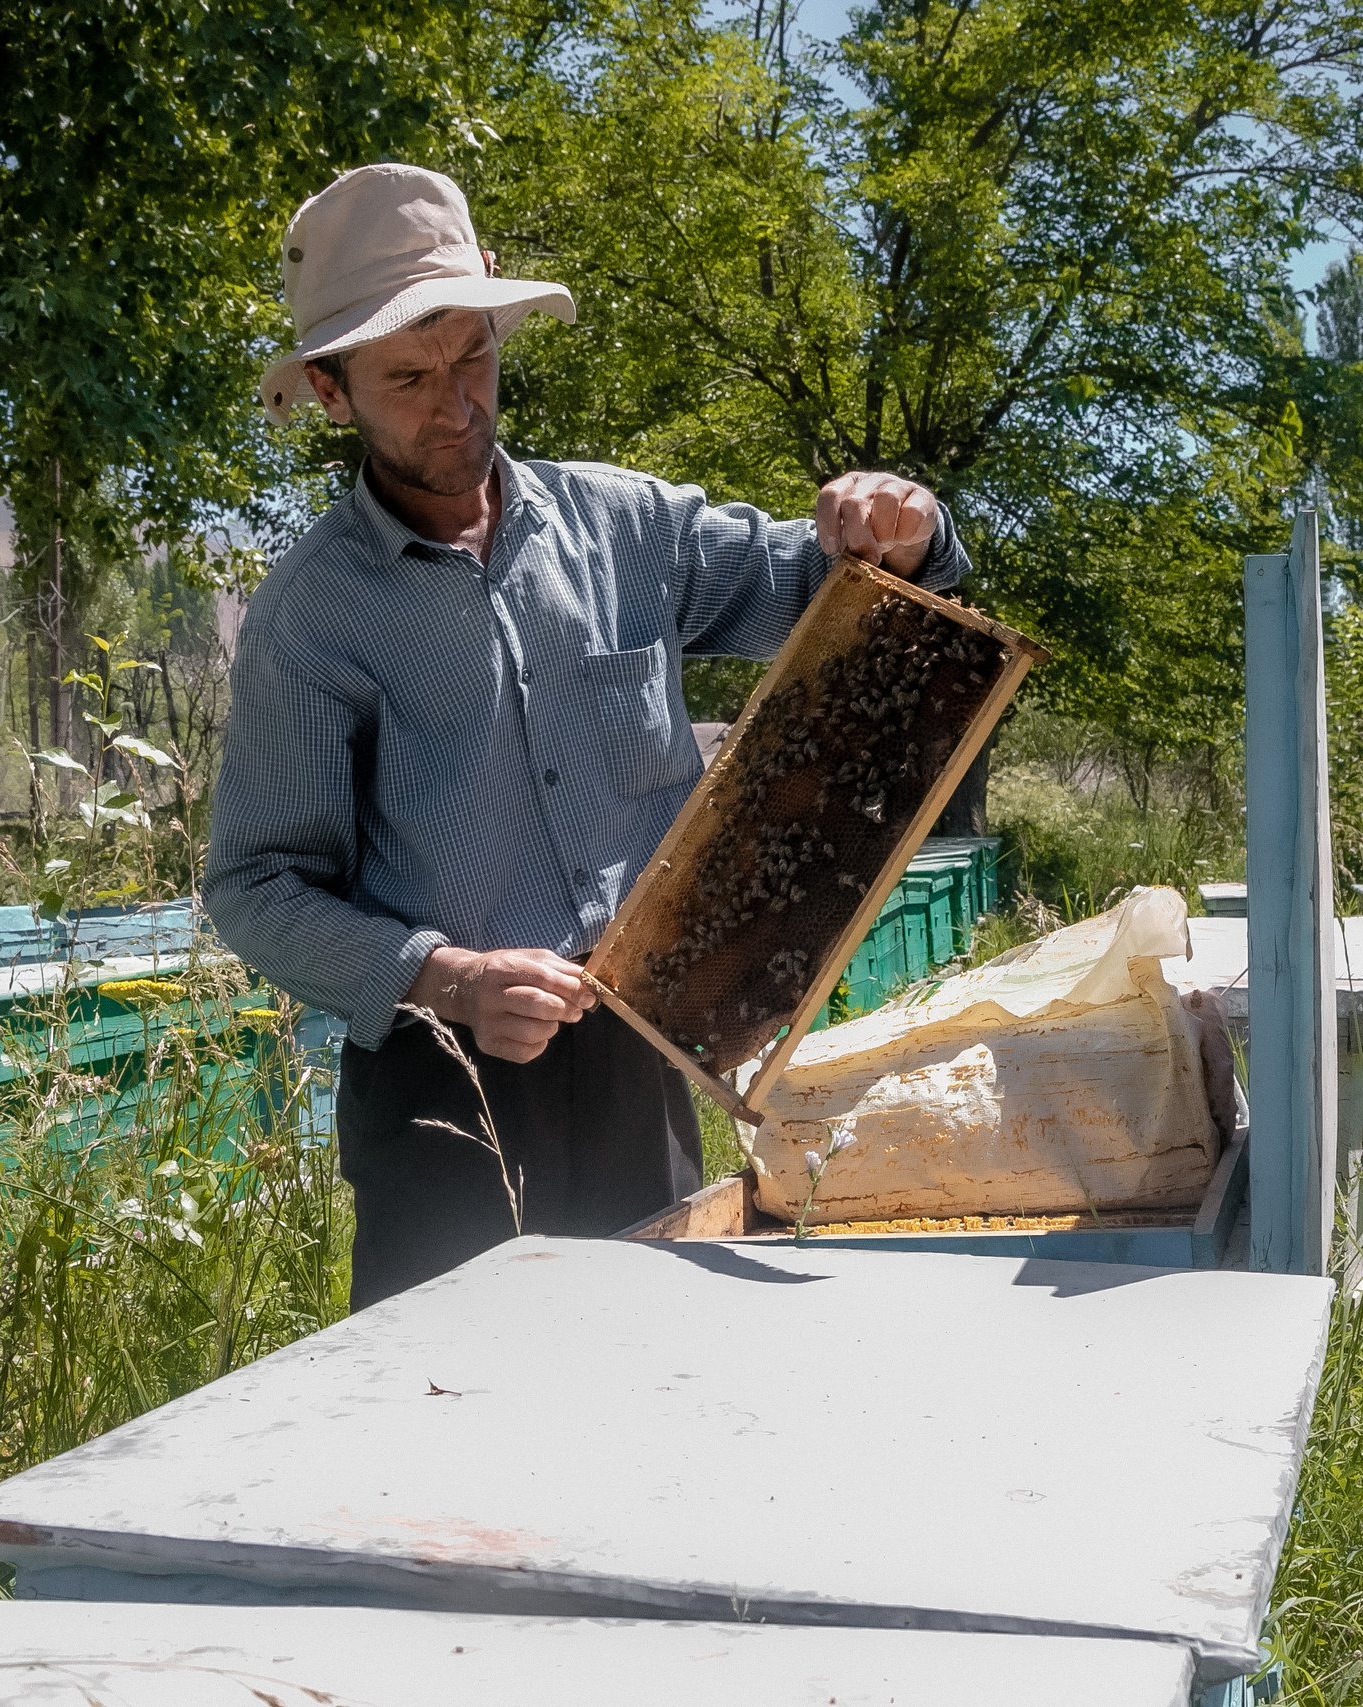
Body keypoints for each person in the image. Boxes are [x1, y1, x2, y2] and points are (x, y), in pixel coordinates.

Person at [204, 164, 970, 1310]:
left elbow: (827, 586)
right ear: (330, 391)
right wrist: (448, 978)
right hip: (438, 1085)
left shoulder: (626, 527)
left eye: (472, 358)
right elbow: (257, 884)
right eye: (407, 378)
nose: (455, 404)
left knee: (647, 1374)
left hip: (635, 1059)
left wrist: (901, 525)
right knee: (440, 1399)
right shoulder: (310, 619)